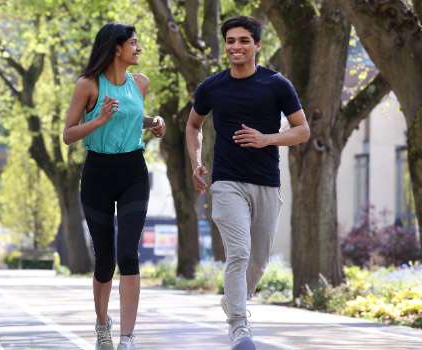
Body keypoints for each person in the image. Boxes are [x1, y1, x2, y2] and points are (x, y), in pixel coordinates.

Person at [185, 16, 310, 350]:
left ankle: (233, 300)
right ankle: (239, 327)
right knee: (238, 252)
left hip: (267, 183)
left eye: (243, 41)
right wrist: (197, 163)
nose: (235, 47)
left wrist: (266, 139)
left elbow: (302, 130)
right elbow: (192, 125)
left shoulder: (276, 84)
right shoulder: (211, 87)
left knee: (258, 260)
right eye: (230, 41)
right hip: (227, 182)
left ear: (257, 45)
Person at [63, 22, 165, 350]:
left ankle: (127, 338)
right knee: (105, 258)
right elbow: (68, 134)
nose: (139, 48)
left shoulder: (141, 83)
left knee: (128, 253)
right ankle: (102, 323)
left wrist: (154, 122)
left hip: (133, 170)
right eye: (133, 43)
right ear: (116, 48)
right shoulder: (88, 85)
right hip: (98, 174)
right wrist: (99, 120)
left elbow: (133, 116)